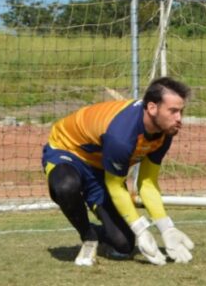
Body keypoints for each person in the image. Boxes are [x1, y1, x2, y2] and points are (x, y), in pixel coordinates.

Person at [41, 76, 194, 266]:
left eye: (181, 111)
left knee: (124, 245)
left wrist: (167, 228)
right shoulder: (122, 136)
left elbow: (147, 183)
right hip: (68, 151)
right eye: (173, 111)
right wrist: (141, 230)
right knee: (66, 186)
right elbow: (114, 186)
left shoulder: (165, 132)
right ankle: (88, 237)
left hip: (101, 167)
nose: (179, 119)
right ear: (152, 108)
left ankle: (96, 230)